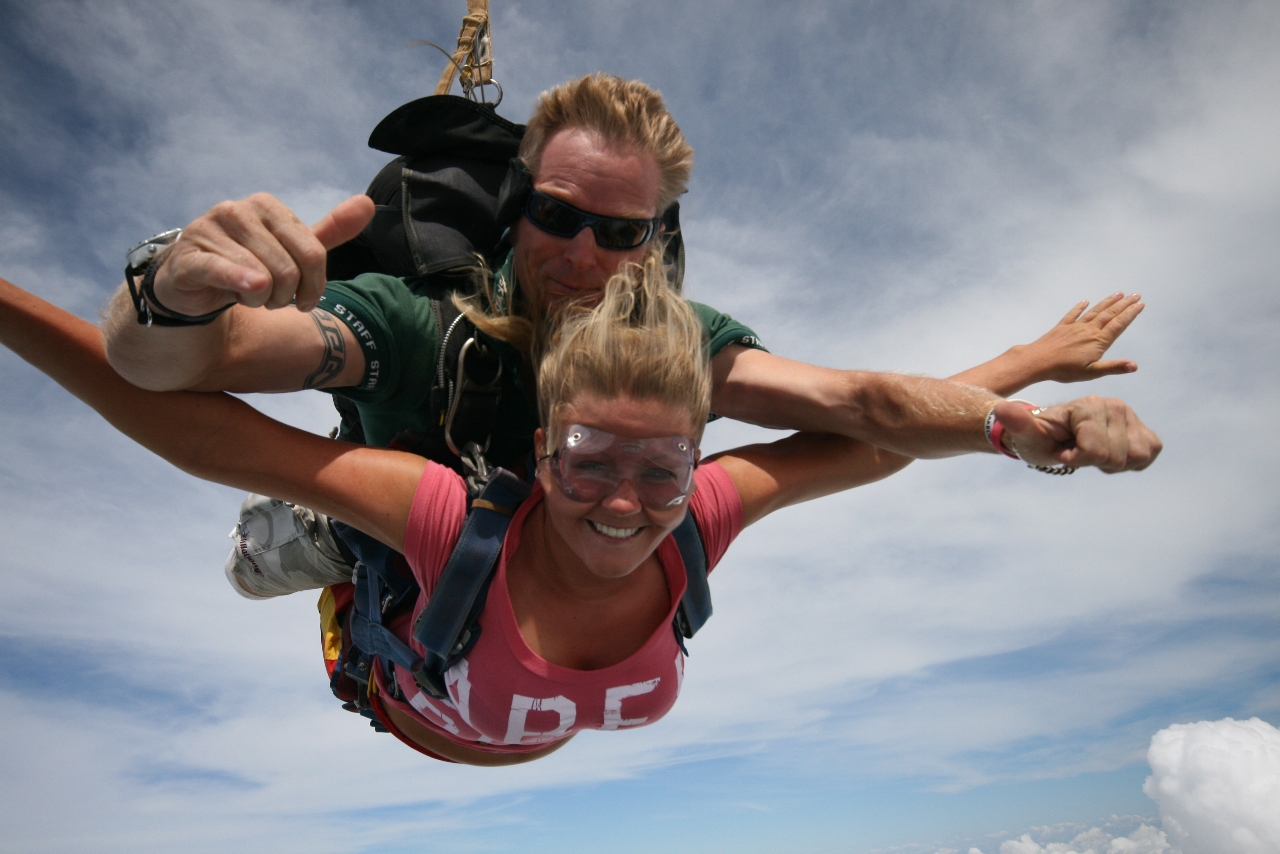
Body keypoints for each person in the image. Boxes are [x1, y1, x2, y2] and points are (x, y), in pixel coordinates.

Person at [0, 258, 1159, 766]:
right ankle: (308, 537)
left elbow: (871, 437)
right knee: (326, 517)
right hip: (393, 662)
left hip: (448, 699)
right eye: (589, 457)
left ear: (696, 455)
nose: (624, 501)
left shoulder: (704, 512)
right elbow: (196, 428)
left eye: (662, 465)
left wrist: (1021, 396)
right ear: (541, 446)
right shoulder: (453, 516)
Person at [99, 73, 1160, 598]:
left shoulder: (674, 352)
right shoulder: (416, 327)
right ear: (516, 210)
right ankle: (323, 529)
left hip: (543, 555)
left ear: (654, 243)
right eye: (555, 216)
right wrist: (174, 289)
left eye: (617, 231)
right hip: (403, 553)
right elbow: (182, 366)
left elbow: (861, 410)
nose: (578, 254)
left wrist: (1024, 412)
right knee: (309, 551)